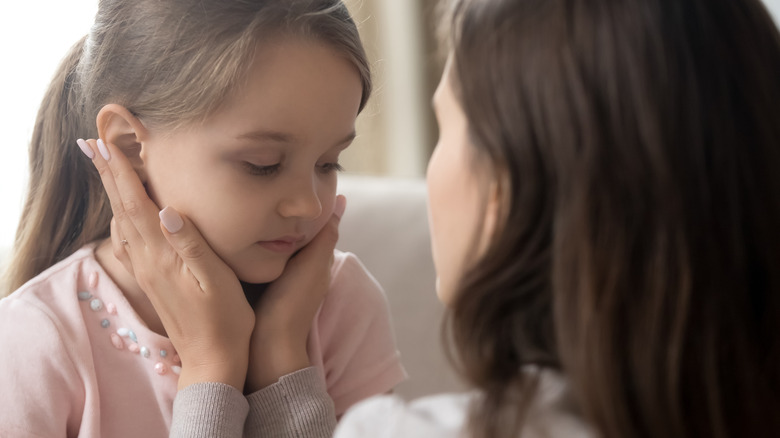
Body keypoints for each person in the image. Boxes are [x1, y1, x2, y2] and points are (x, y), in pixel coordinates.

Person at [62, 0, 780, 437]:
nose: (309, 206)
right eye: (261, 164)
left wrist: (226, 370)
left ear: (509, 185)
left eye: (448, 132)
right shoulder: (41, 341)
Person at [0, 1, 408, 437]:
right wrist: (213, 367)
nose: (308, 205)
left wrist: (282, 358)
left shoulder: (342, 304)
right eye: (262, 164)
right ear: (132, 146)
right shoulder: (31, 344)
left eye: (329, 163)